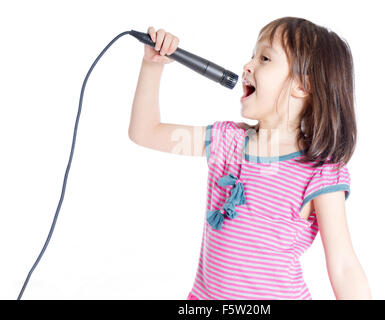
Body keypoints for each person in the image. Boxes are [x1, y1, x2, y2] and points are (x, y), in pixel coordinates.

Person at [128, 17, 371, 300]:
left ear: (302, 87)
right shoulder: (226, 141)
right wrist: (152, 65)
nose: (248, 66)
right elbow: (144, 132)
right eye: (252, 56)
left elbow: (344, 267)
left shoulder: (319, 172)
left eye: (265, 58)